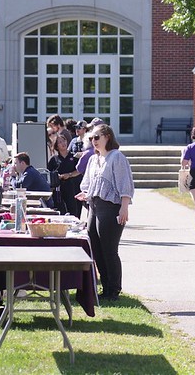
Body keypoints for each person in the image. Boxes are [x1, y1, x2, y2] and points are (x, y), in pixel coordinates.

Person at [76, 123, 134, 301]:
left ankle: (113, 289)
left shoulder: (116, 157)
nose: (93, 141)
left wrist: (124, 207)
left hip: (111, 208)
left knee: (109, 249)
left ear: (107, 137)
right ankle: (105, 286)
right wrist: (85, 194)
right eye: (91, 138)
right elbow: (88, 183)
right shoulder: (94, 159)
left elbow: (125, 184)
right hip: (94, 207)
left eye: (96, 137)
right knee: (95, 248)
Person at [48, 132, 82, 216]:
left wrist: (69, 174)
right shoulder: (54, 159)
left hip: (72, 187)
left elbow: (79, 170)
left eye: (64, 141)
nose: (63, 143)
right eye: (60, 142)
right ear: (56, 146)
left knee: (74, 210)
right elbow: (49, 173)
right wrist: (56, 177)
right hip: (58, 189)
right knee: (60, 210)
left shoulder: (73, 157)